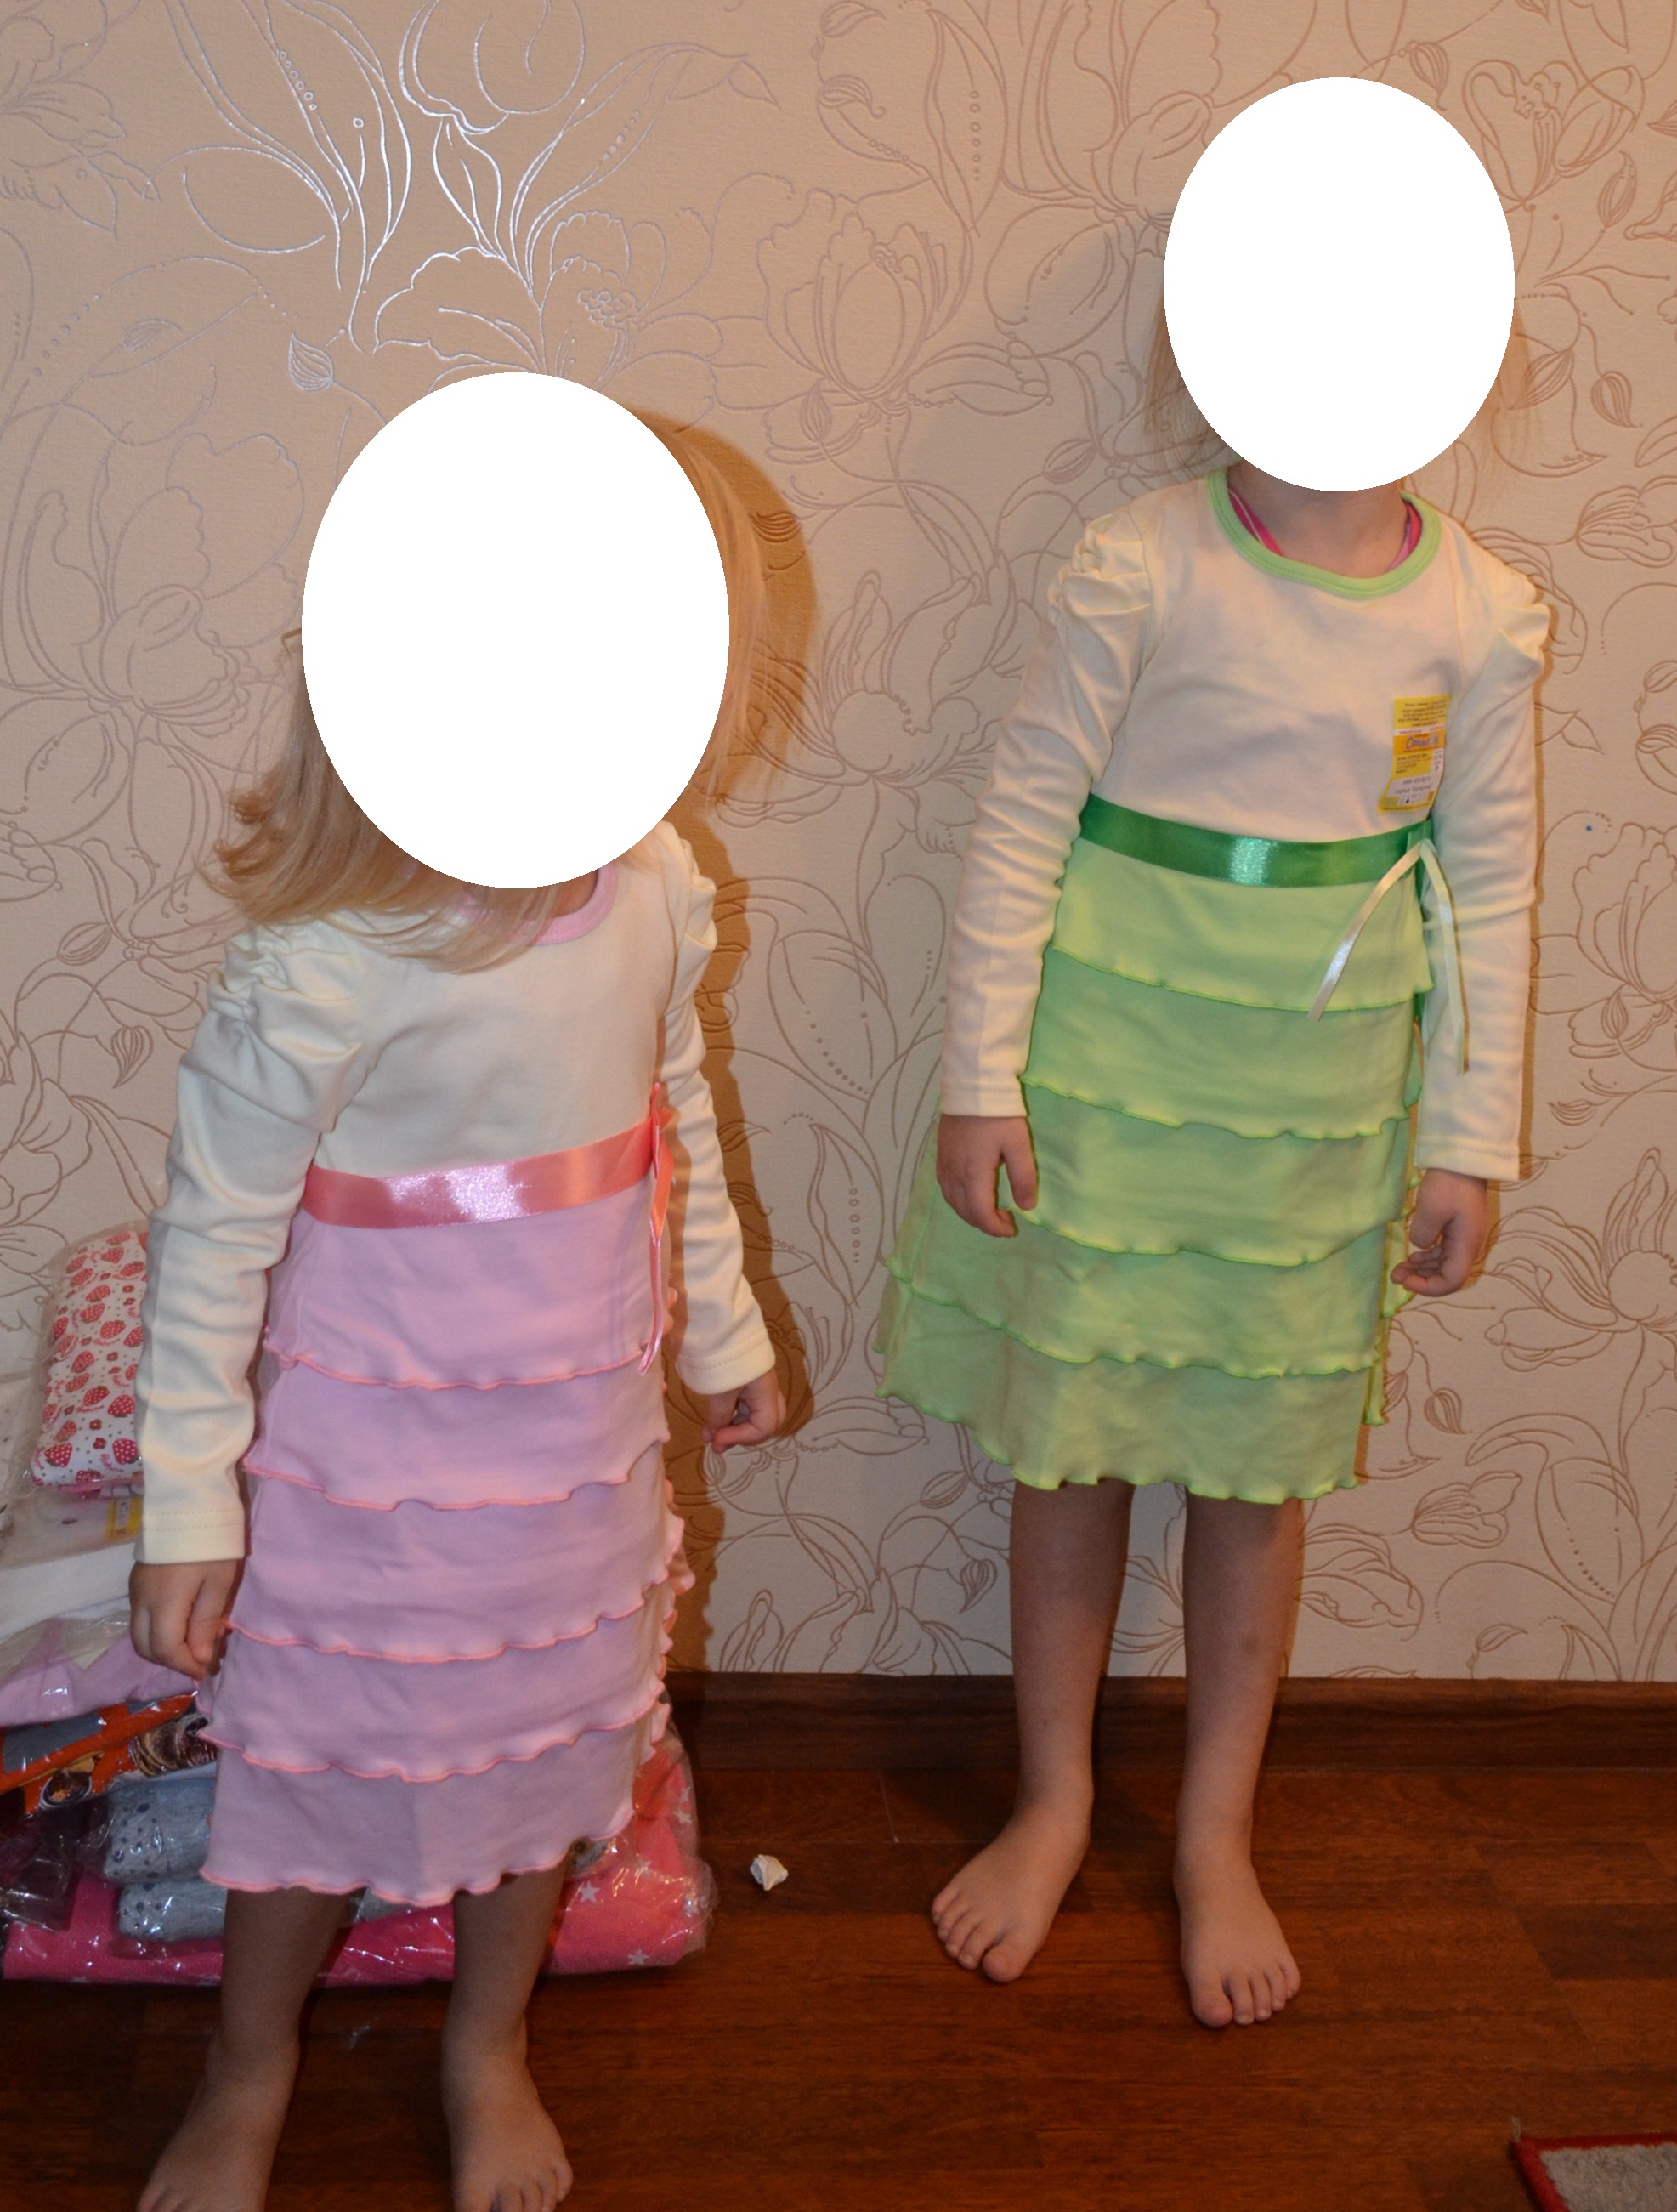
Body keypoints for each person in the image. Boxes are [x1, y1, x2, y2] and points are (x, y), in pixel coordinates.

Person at [128, 428, 784, 2212]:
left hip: (568, 1464)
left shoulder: (651, 894)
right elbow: (209, 1245)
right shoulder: (325, 965)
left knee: (543, 1751)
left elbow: (673, 1115)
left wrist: (722, 1328)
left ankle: (486, 2044)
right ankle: (249, 2063)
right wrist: (190, 1501)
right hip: (365, 1478)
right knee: (316, 1766)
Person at [876, 378, 1548, 2025]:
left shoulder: (1478, 613)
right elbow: (1022, 818)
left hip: (1311, 1121)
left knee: (1256, 1476)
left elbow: (1492, 887)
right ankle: (1053, 1796)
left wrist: (1468, 1139)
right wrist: (979, 1076)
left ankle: (1213, 1832)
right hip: (1107, 1082)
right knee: (1073, 1444)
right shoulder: (1142, 562)